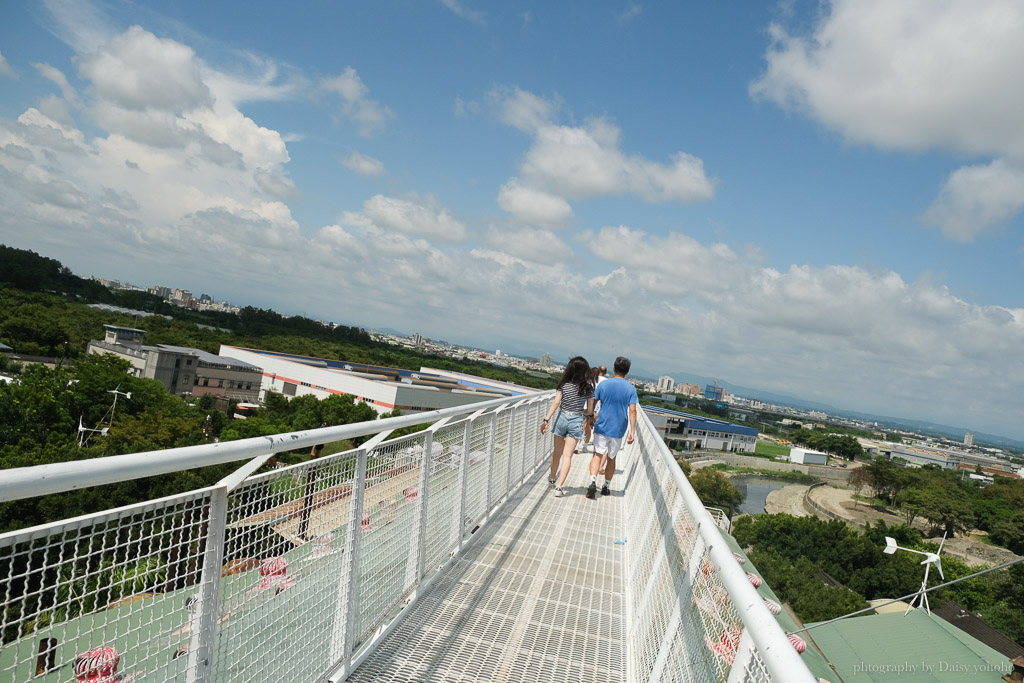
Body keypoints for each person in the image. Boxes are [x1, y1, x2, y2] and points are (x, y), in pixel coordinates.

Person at [539, 357, 595, 497]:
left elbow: (556, 403)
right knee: (568, 455)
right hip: (576, 420)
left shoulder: (563, 385)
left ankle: (552, 479)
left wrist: (546, 420)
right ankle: (559, 487)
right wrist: (586, 416)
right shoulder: (588, 388)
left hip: (562, 418)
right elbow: (589, 411)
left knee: (557, 453)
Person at [587, 356, 638, 499]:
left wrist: (591, 417)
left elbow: (593, 402)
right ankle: (606, 486)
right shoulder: (631, 389)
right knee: (611, 457)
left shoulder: (603, 385)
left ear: (614, 368)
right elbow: (632, 410)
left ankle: (592, 481)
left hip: (602, 425)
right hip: (618, 429)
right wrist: (632, 431)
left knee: (597, 454)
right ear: (627, 371)